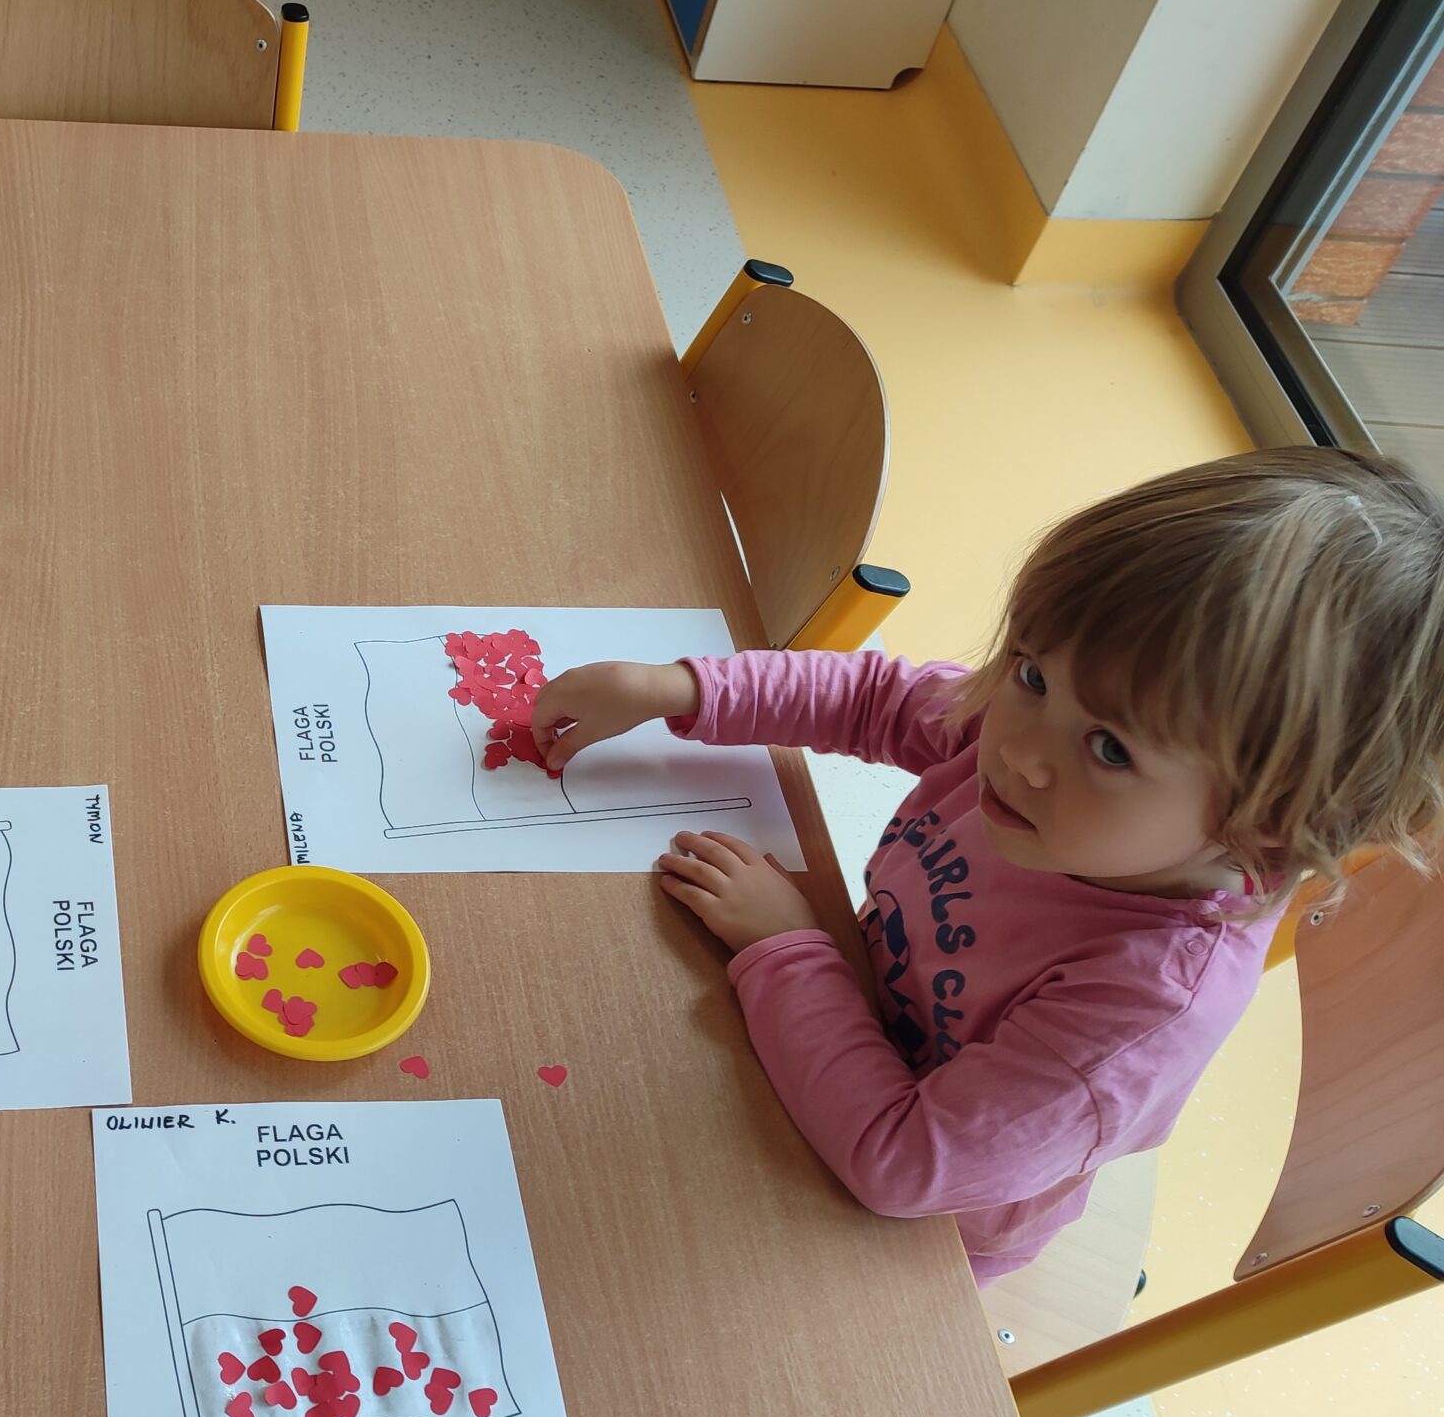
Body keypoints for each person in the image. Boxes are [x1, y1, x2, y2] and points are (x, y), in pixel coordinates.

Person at [529, 448, 1444, 1281]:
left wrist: (789, 948)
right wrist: (682, 688)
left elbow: (901, 1164)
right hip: (848, 1030)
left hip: (917, 1238)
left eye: (1111, 749)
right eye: (1034, 672)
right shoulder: (1039, 748)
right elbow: (878, 698)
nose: (1016, 750)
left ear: (1272, 826)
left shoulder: (1143, 1003)